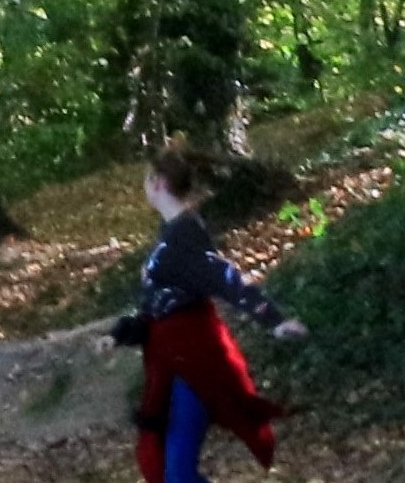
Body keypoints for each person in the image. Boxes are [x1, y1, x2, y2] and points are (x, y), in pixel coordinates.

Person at [114, 143, 305, 483]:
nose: (143, 187)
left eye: (146, 179)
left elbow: (226, 278)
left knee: (179, 475)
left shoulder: (184, 236)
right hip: (175, 364)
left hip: (195, 364)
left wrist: (273, 319)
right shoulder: (171, 234)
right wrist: (124, 332)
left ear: (158, 182)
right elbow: (162, 300)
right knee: (174, 472)